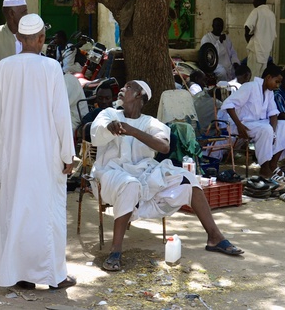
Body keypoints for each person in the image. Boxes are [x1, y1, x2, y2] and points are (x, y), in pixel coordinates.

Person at [91, 80, 243, 271]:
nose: (122, 88)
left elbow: (163, 145)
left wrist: (131, 131)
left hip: (144, 172)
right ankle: (115, 251)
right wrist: (110, 128)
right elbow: (95, 134)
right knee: (129, 184)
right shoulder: (108, 114)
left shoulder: (151, 122)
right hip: (111, 172)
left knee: (188, 179)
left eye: (128, 87)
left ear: (139, 95)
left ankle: (215, 237)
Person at [0, 14, 76, 290]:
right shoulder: (52, 67)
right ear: (41, 39)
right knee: (47, 214)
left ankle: (18, 273)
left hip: (14, 155)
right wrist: (68, 154)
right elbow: (61, 117)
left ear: (19, 39)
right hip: (45, 154)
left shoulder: (5, 67)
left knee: (15, 209)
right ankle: (54, 275)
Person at [221, 65, 285, 179]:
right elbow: (228, 105)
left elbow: (273, 114)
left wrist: (275, 133)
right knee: (266, 129)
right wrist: (239, 125)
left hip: (258, 124)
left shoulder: (269, 92)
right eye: (276, 82)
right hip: (241, 124)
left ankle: (273, 165)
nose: (277, 85)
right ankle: (265, 169)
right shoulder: (249, 87)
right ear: (268, 77)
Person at [244, 0, 277, 78]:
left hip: (256, 50)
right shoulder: (271, 14)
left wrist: (249, 41)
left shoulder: (256, 11)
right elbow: (273, 35)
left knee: (251, 77)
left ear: (259, 0)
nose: (253, 1)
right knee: (261, 79)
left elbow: (247, 27)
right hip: (265, 52)